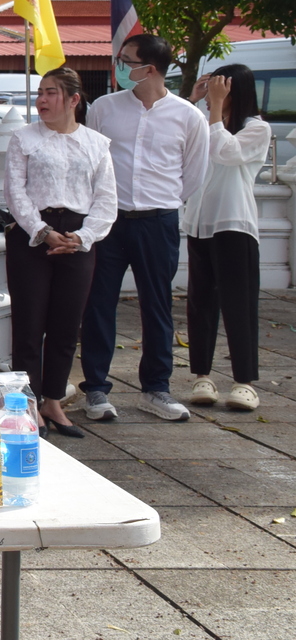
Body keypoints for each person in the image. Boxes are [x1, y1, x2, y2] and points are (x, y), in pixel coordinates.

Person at [79, 34, 209, 422]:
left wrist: (160, 201)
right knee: (99, 303)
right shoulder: (103, 108)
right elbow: (91, 163)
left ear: (149, 69)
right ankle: (97, 389)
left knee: (158, 305)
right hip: (109, 220)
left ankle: (156, 387)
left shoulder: (189, 116)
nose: (119, 65)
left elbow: (193, 174)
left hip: (159, 221)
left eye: (126, 60)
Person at [2, 67, 116, 438]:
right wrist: (43, 231)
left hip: (78, 238)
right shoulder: (24, 139)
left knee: (67, 325)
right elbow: (15, 193)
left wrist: (82, 237)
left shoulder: (97, 143)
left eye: (51, 93)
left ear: (73, 100)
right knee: (30, 323)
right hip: (33, 236)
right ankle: (28, 403)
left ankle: (53, 398)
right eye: (40, 92)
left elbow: (106, 199)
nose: (42, 100)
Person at [184, 64, 270, 411]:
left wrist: (215, 109)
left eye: (221, 86)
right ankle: (201, 375)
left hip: (234, 224)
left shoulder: (257, 128)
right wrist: (195, 102)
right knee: (199, 303)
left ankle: (244, 381)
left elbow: (227, 152)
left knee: (239, 304)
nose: (215, 93)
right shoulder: (207, 124)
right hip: (199, 223)